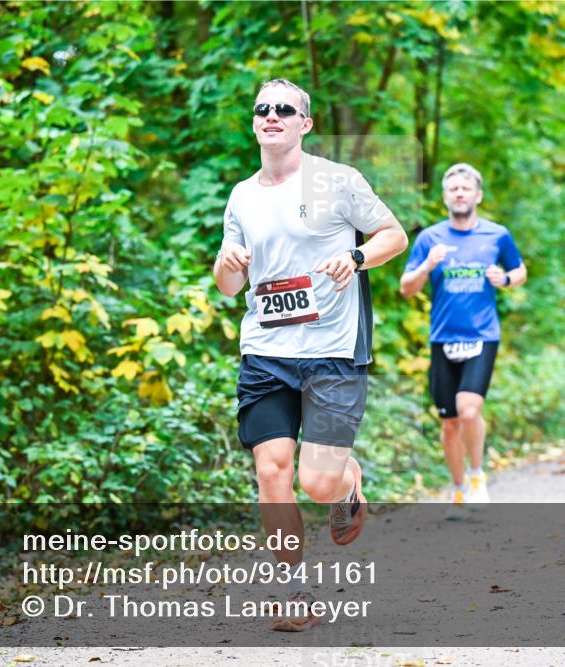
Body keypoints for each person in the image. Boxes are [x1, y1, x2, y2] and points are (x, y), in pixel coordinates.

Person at [214, 78, 408, 631]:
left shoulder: (336, 181)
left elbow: (393, 235)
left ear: (306, 123)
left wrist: (357, 256)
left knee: (315, 484)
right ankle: (295, 593)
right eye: (262, 109)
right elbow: (229, 285)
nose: (271, 115)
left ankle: (345, 482)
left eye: (284, 109)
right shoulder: (242, 196)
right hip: (266, 350)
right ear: (254, 123)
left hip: (332, 351)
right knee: (271, 471)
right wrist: (228, 264)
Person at [399, 163, 526, 510]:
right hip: (443, 338)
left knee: (468, 410)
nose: (459, 193)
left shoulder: (497, 235)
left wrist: (507, 279)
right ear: (444, 197)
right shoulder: (430, 239)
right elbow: (405, 289)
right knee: (450, 422)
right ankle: (457, 487)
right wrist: (426, 266)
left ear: (478, 196)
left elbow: (520, 269)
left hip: (482, 335)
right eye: (453, 188)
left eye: (465, 189)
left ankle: (476, 474)